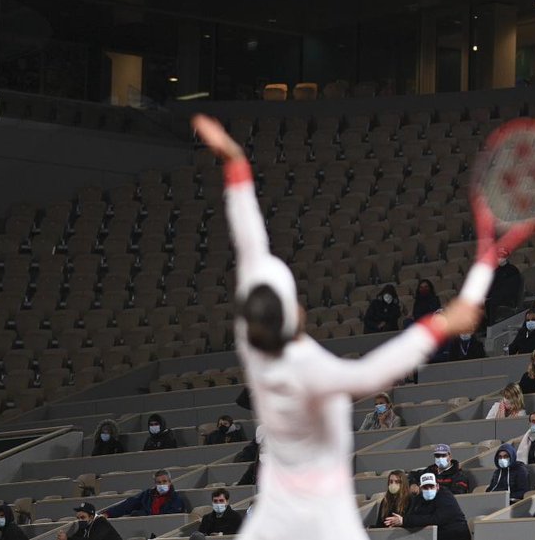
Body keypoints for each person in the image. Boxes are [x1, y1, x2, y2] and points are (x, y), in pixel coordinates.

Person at [189, 114, 492, 540]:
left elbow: (249, 240)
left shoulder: (251, 338)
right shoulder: (307, 368)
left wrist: (236, 166)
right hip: (324, 509)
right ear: (294, 314)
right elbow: (371, 373)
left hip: (274, 506)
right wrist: (441, 323)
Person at [385, 473, 470, 540]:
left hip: (456, 535)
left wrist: (404, 520)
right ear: (420, 488)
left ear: (437, 486)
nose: (429, 489)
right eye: (425, 487)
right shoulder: (419, 499)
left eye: (431, 486)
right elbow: (415, 516)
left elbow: (436, 519)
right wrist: (399, 522)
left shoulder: (445, 496)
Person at [104, 470, 192, 517]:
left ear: (170, 482)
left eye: (164, 481)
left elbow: (170, 518)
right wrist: (108, 514)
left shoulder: (176, 499)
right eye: (159, 482)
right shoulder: (147, 495)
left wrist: (143, 514)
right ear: (155, 484)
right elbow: (128, 504)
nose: (162, 484)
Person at [486, 248, 523, 325]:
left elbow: (513, 288)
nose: (499, 258)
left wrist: (495, 295)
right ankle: (486, 326)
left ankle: (491, 326)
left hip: (508, 298)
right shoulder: (495, 271)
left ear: (506, 257)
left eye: (501, 256)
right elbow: (491, 286)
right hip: (496, 296)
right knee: (485, 302)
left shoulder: (512, 270)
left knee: (491, 303)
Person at [56, 503, 122, 540]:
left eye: (83, 517)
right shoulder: (84, 526)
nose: (80, 520)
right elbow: (77, 537)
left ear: (91, 517)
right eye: (78, 518)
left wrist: (68, 539)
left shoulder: (101, 522)